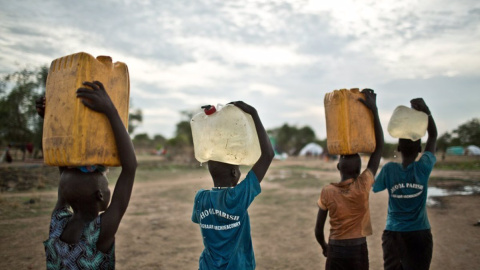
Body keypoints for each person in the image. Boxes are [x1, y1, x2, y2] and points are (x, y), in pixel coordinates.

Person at [39, 81, 137, 269]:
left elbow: (64, 172)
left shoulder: (58, 225)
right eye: (106, 185)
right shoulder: (99, 232)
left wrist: (50, 118)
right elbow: (130, 168)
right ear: (100, 195)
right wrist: (111, 111)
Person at [191, 101, 274, 270]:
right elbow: (267, 155)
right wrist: (253, 113)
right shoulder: (238, 197)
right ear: (234, 174)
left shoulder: (201, 198)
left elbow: (199, 220)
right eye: (237, 168)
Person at [315, 89, 384, 270]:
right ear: (360, 169)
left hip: (336, 249)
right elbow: (378, 149)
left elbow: (318, 230)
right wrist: (374, 111)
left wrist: (324, 246)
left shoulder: (327, 191)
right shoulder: (364, 184)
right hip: (358, 249)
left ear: (338, 167)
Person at [372, 98, 437, 270]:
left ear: (398, 149)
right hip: (419, 233)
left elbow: (375, 187)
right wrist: (427, 111)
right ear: (419, 150)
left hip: (394, 233)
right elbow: (433, 136)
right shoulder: (423, 167)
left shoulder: (389, 170)